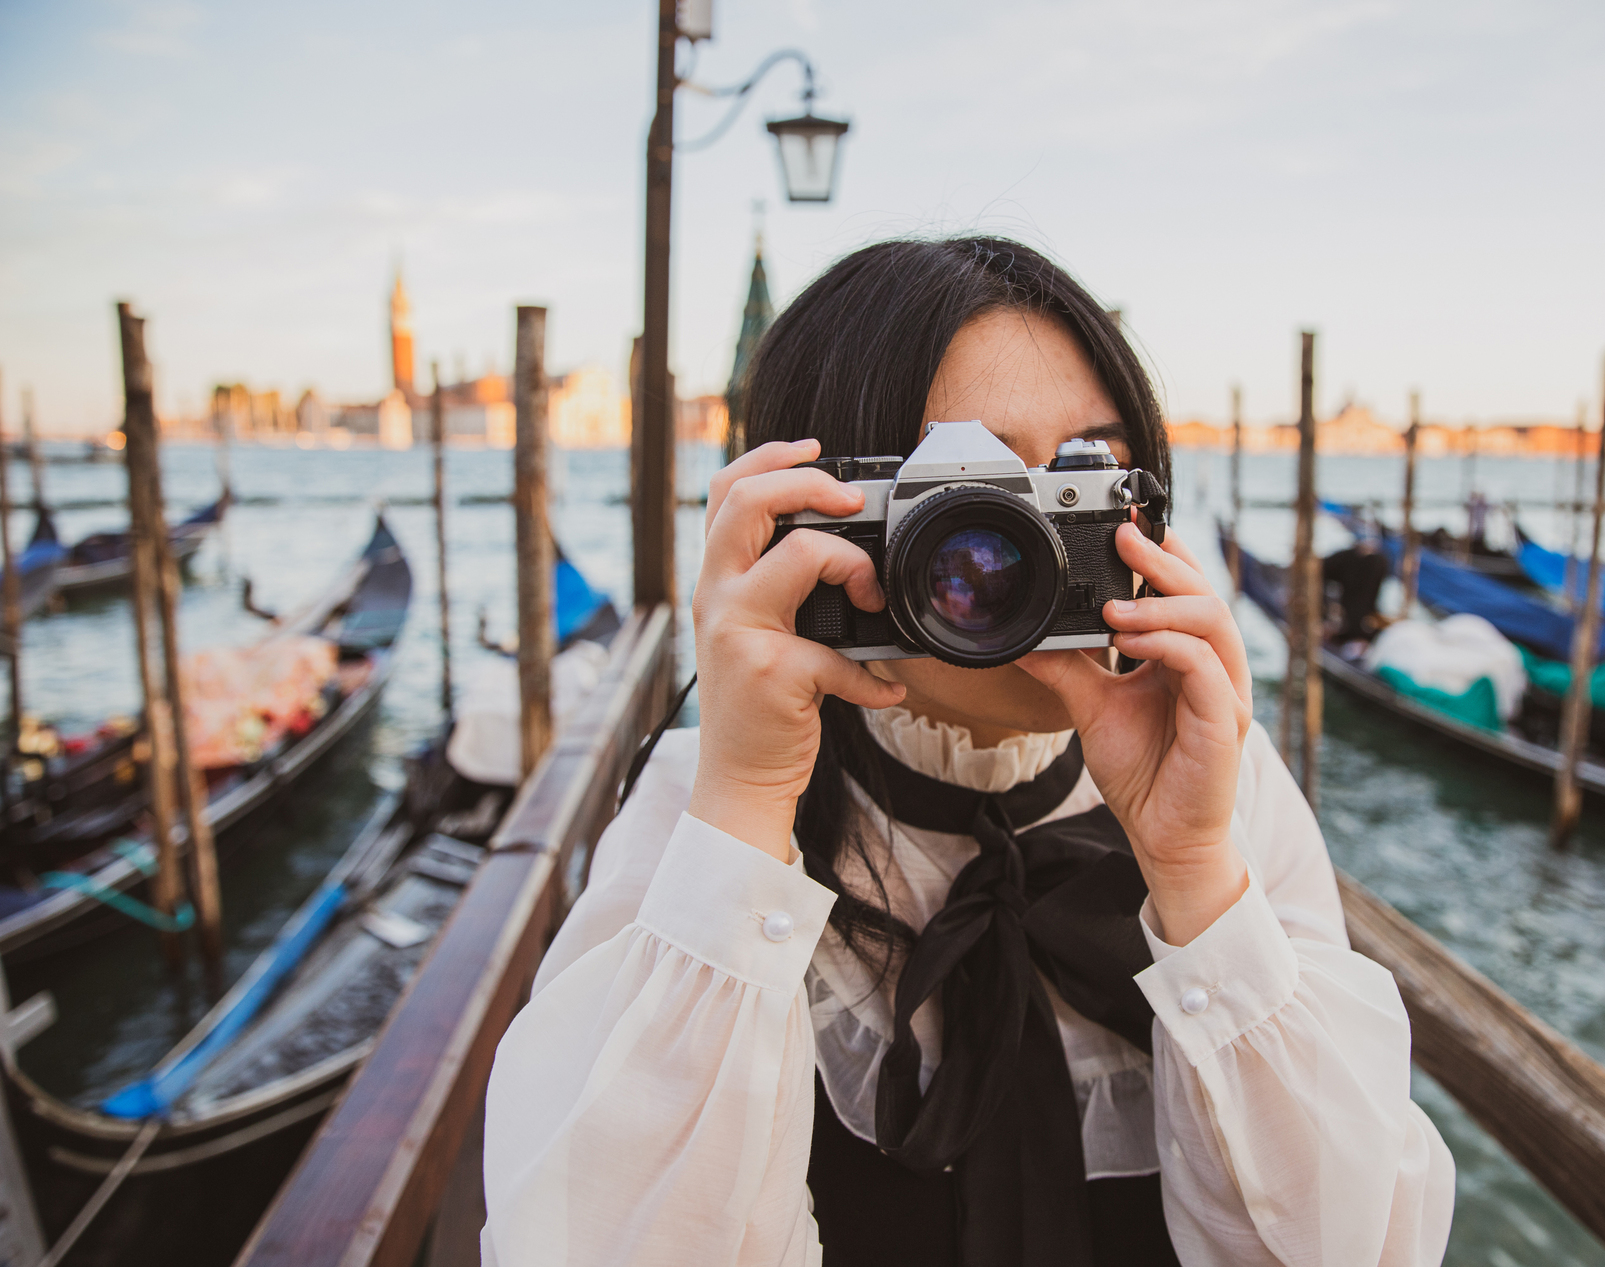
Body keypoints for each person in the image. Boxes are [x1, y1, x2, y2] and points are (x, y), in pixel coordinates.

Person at [481, 238, 1455, 1266]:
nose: (1017, 548)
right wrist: (749, 801)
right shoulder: (705, 806)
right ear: (821, 520)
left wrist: (1195, 873)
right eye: (970, 492)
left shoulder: (1223, 783)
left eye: (1082, 467)